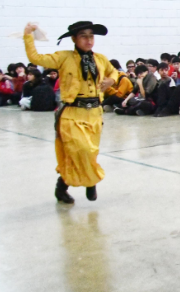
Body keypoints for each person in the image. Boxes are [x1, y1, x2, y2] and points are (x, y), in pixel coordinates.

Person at [23, 21, 119, 203]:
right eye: (84, 36)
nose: (89, 40)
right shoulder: (63, 57)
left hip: (94, 114)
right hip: (72, 113)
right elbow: (35, 57)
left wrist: (111, 81)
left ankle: (62, 187)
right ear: (74, 39)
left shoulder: (100, 59)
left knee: (90, 152)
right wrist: (28, 35)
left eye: (91, 36)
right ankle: (90, 180)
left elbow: (114, 72)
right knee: (78, 150)